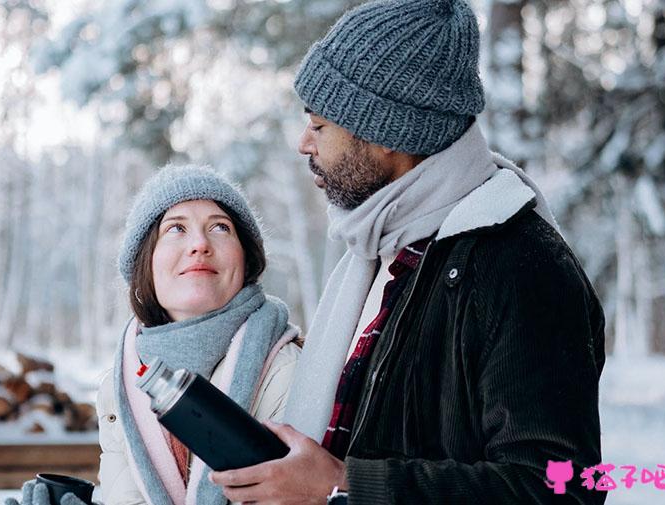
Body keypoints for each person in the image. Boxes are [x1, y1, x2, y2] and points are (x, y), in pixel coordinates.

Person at [209, 1, 606, 504]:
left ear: (387, 133)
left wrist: (344, 485)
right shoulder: (381, 248)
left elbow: (559, 489)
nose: (302, 142)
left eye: (320, 125)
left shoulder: (520, 266)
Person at [6, 164, 301, 505]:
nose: (200, 244)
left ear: (246, 260)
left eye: (220, 227)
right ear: (146, 261)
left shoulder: (288, 371)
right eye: (176, 228)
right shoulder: (120, 388)